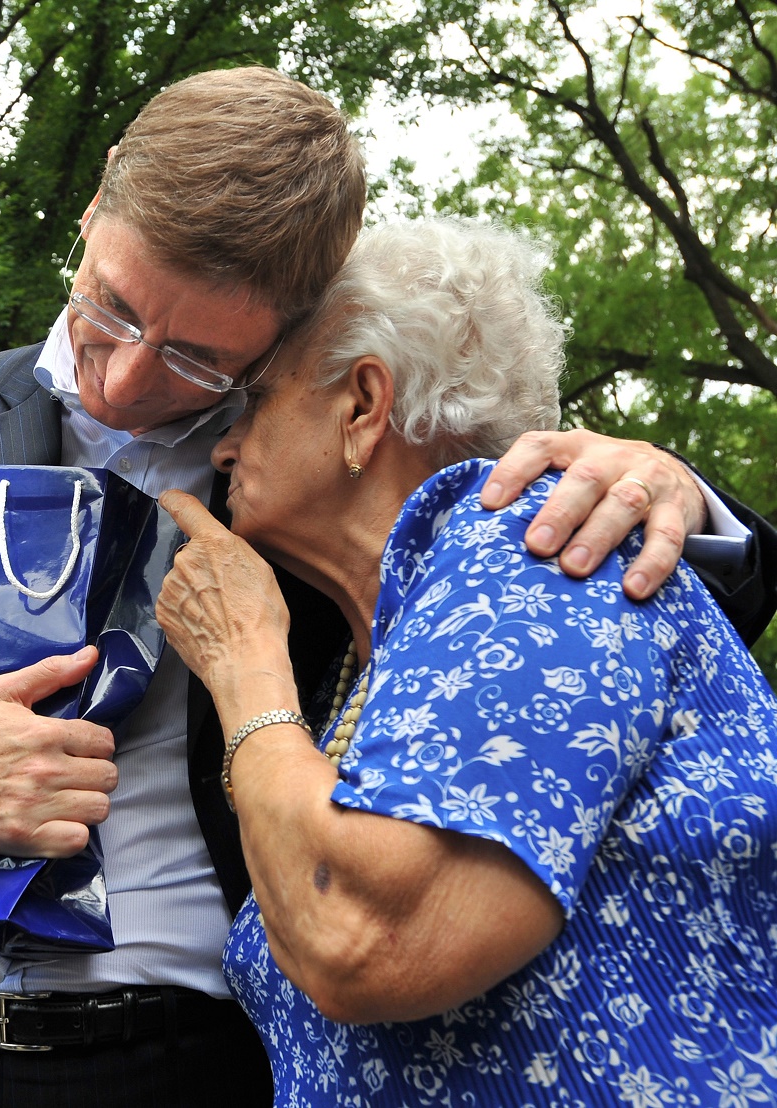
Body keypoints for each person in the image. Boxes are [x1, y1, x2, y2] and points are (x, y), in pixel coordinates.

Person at [0, 65, 770, 1108]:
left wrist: (675, 492)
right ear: (97, 196)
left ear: (284, 332)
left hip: (227, 1046)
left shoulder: (325, 475)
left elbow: (590, 637)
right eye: (110, 306)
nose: (123, 379)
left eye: (204, 365)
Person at [154, 215, 777, 1106]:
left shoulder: (535, 556)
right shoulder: (375, 660)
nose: (221, 445)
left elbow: (365, 934)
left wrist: (243, 658)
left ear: (364, 407)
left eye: (254, 398)